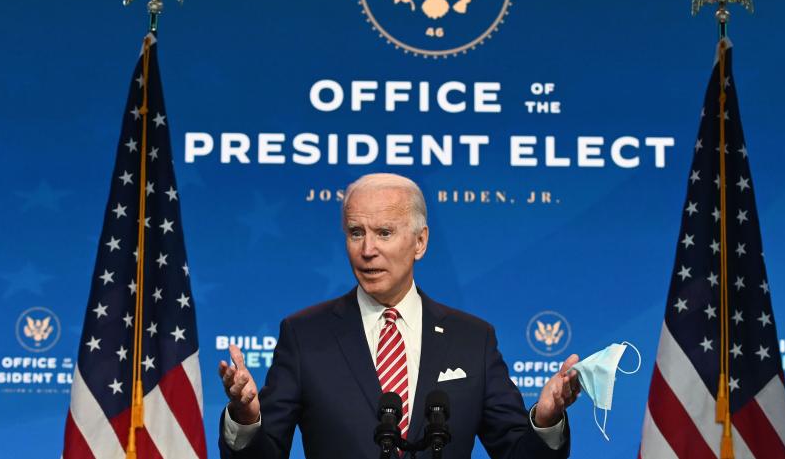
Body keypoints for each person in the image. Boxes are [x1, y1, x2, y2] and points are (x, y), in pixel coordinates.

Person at [218, 173, 581, 459]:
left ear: (420, 242)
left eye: (384, 233)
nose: (367, 250)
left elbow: (517, 452)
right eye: (356, 233)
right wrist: (247, 418)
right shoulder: (304, 335)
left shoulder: (473, 339)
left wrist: (545, 420)